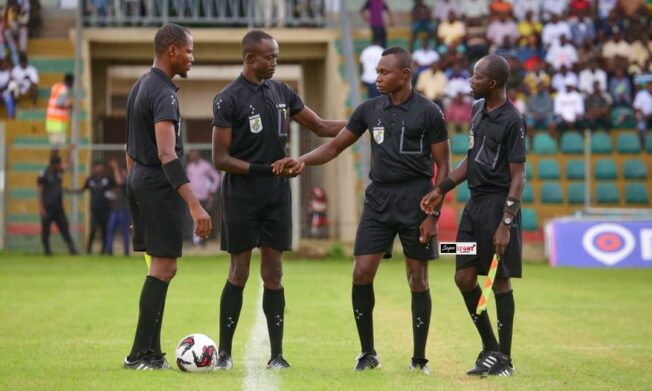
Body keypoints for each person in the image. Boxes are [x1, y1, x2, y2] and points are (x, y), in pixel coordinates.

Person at [273, 47, 451, 373]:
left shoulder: (430, 112)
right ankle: (367, 353)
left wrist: (432, 214)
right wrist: (302, 160)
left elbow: (444, 168)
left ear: (405, 75)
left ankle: (419, 359)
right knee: (360, 272)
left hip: (417, 199)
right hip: (378, 200)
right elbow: (334, 146)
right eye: (377, 71)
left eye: (384, 72)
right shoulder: (369, 110)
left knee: (417, 279)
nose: (378, 77)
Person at [211, 30, 347, 370]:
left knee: (273, 274)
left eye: (276, 56)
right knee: (238, 272)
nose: (275, 62)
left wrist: (363, 122)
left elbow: (320, 127)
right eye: (269, 56)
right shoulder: (227, 98)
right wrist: (264, 170)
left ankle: (277, 355)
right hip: (241, 196)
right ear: (250, 58)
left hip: (275, 197)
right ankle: (224, 353)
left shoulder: (282, 92)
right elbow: (220, 158)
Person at [420, 54, 526, 377]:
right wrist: (443, 187)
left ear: (492, 83)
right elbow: (471, 159)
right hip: (474, 207)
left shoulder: (513, 120)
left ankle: (504, 360)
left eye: (477, 77)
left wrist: (506, 224)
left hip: (498, 208)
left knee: (500, 282)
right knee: (463, 276)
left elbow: (519, 176)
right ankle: (490, 348)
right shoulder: (478, 110)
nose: (471, 80)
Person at [122, 23, 212, 370]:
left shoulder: (139, 86)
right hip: (158, 185)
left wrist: (135, 189)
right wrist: (194, 203)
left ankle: (151, 352)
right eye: (189, 50)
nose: (192, 57)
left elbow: (128, 148)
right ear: (172, 50)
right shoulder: (163, 94)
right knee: (163, 268)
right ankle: (140, 354)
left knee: (162, 268)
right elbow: (166, 153)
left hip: (142, 181)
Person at [37, 152, 79, 256]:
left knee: (65, 228)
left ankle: (72, 248)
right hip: (47, 207)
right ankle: (47, 251)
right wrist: (41, 207)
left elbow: (67, 164)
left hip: (59, 207)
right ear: (52, 165)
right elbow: (40, 191)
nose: (60, 166)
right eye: (58, 164)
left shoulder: (58, 171)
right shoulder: (44, 174)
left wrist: (70, 149)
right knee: (46, 230)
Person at [70, 161, 114, 254]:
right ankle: (89, 250)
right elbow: (82, 189)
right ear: (94, 168)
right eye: (97, 167)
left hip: (105, 210)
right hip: (94, 210)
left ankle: (103, 250)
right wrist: (71, 191)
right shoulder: (91, 179)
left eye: (100, 166)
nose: (98, 168)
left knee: (104, 230)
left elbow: (116, 186)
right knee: (93, 230)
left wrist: (112, 195)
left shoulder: (107, 178)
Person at [185, 150, 221, 246]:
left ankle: (202, 240)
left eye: (194, 154)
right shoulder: (189, 167)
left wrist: (213, 189)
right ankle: (194, 241)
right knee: (193, 219)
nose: (193, 156)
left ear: (198, 154)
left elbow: (216, 177)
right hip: (193, 197)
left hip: (204, 196)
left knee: (203, 219)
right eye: (191, 155)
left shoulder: (205, 165)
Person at [105, 158, 130, 256]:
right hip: (115, 209)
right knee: (110, 229)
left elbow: (119, 182)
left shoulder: (128, 180)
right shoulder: (122, 181)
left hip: (124, 210)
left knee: (124, 232)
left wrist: (115, 167)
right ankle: (109, 250)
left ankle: (126, 252)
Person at [45, 73, 73, 148]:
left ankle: (54, 159)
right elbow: (59, 104)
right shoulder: (64, 89)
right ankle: (54, 159)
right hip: (57, 121)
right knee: (56, 145)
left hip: (50, 119)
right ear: (69, 82)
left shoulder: (56, 86)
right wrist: (69, 105)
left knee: (54, 144)